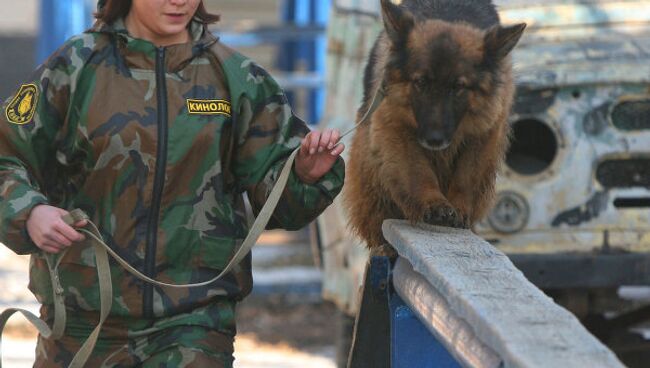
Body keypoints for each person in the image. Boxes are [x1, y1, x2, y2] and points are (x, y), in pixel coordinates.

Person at [0, 0, 345, 366]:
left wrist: (304, 175)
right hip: (84, 321)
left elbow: (279, 197)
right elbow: (6, 155)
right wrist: (30, 212)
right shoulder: (74, 68)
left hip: (194, 322)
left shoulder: (236, 78)